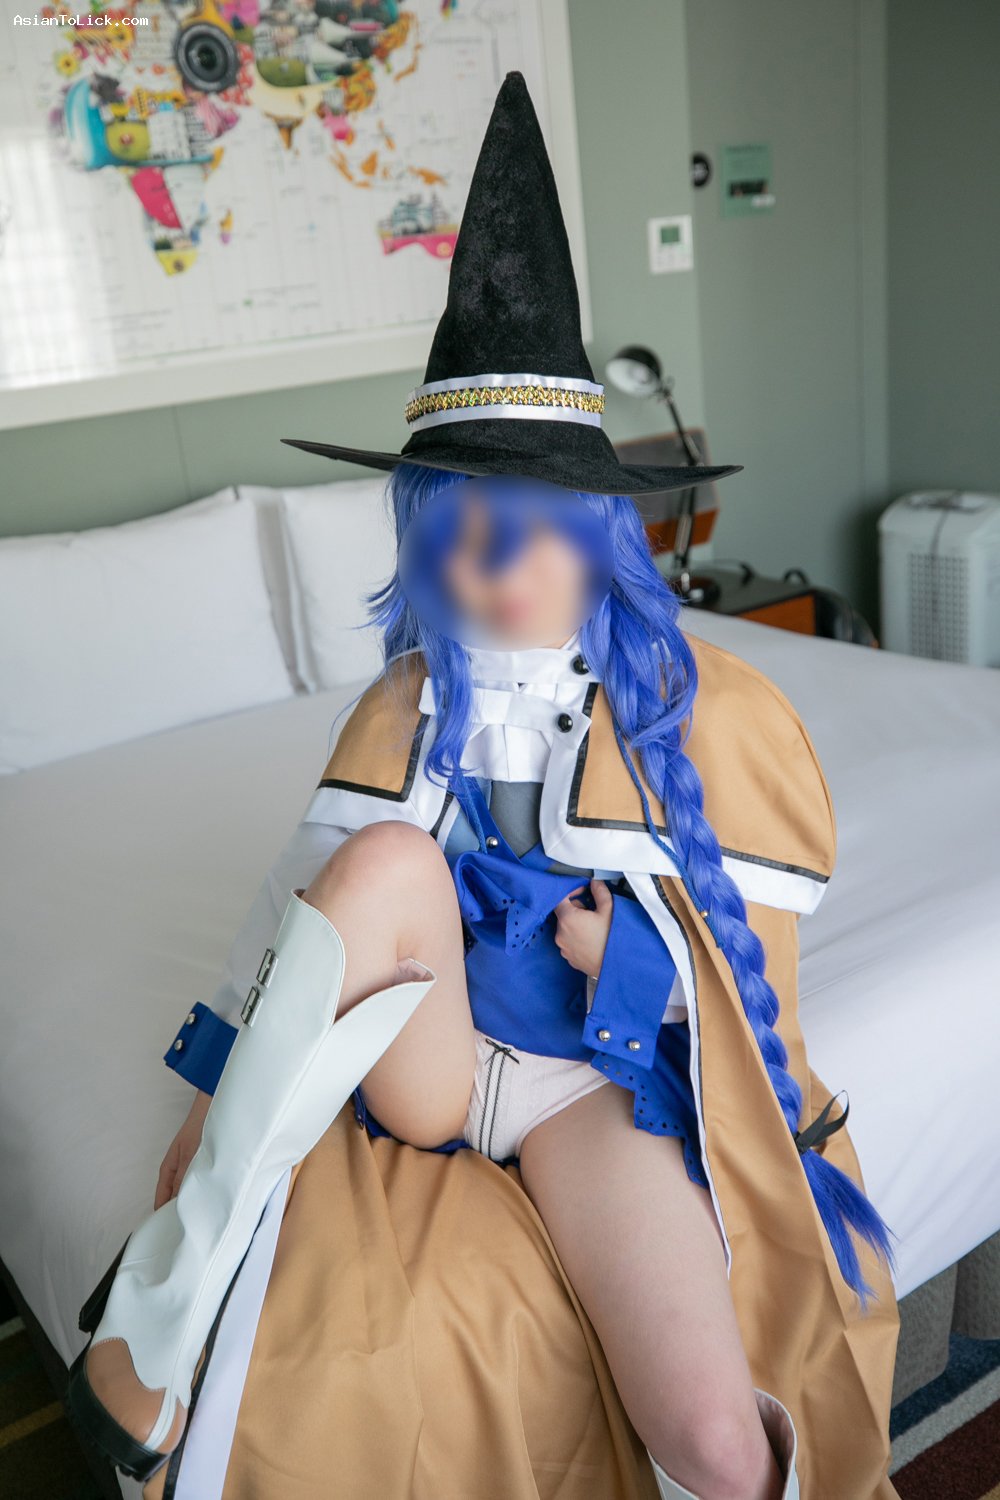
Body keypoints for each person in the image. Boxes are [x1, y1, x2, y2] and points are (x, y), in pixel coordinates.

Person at [68, 72, 900, 1500]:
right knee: (385, 863)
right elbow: (299, 924)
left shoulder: (702, 711)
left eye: (520, 531)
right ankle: (171, 1285)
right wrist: (200, 1124)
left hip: (581, 1086)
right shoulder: (404, 702)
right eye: (450, 534)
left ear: (597, 534)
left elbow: (748, 978)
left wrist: (620, 957)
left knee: (716, 1438)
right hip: (437, 1064)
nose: (481, 571)